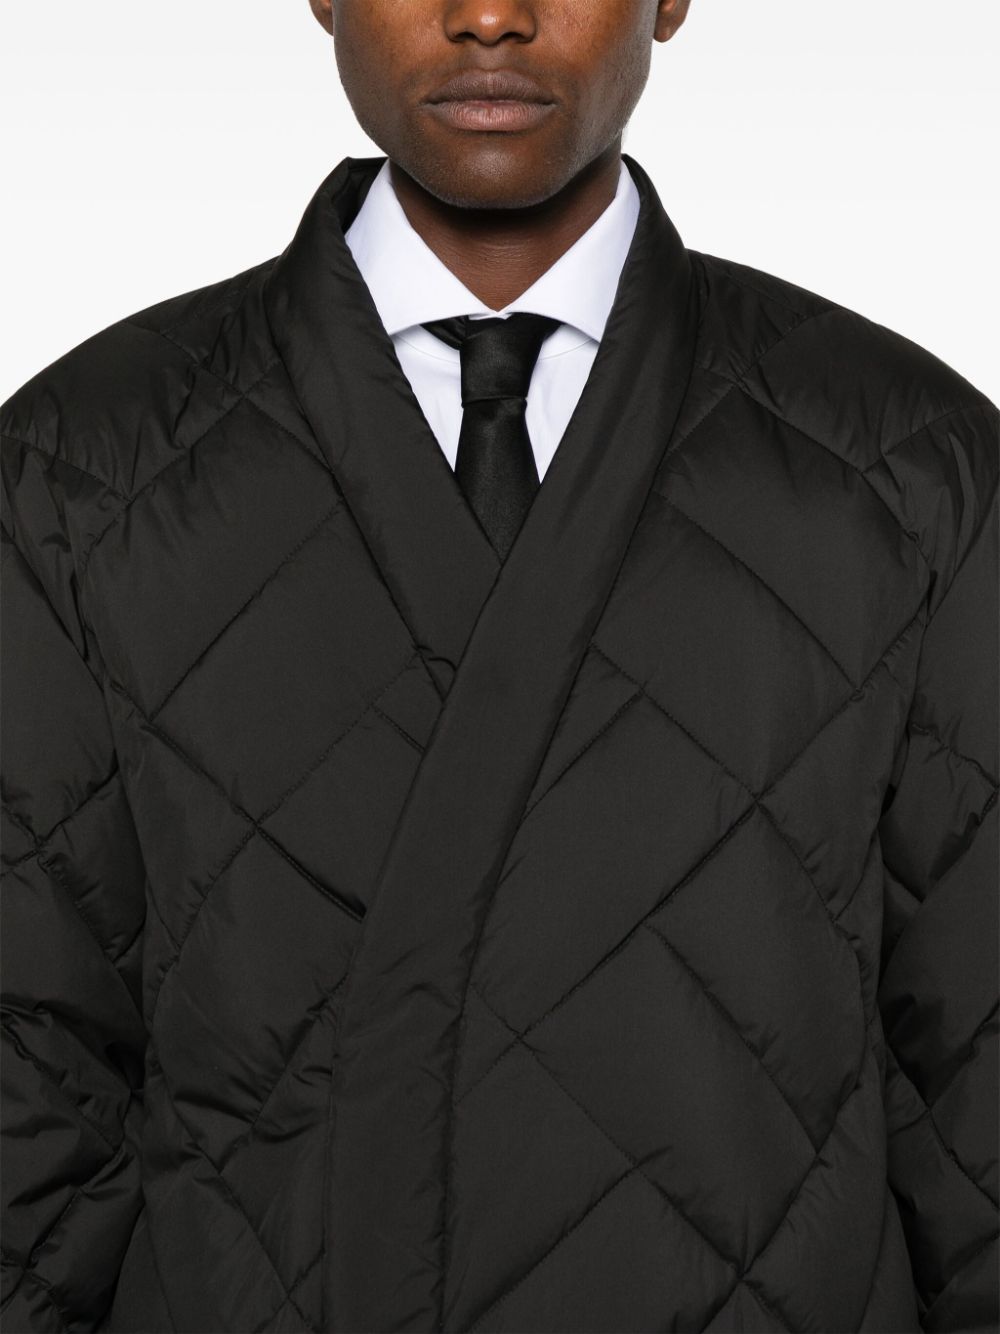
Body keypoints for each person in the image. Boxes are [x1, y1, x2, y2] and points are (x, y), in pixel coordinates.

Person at [1, 0, 997, 1330]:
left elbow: (978, 1086)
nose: (489, 14)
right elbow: (32, 1091)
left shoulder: (912, 473)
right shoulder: (78, 477)